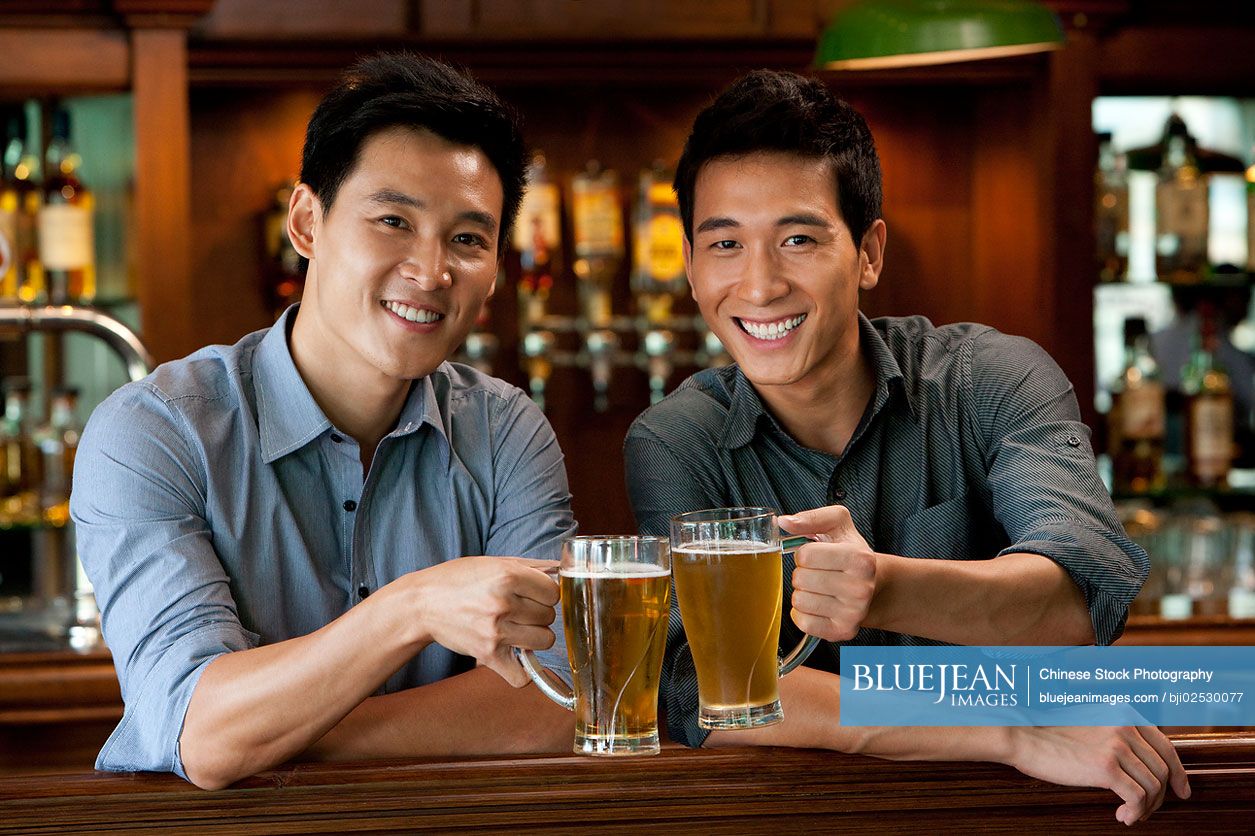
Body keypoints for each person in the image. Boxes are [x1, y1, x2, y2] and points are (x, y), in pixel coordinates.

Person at [624, 69, 1190, 825]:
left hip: (1024, 814)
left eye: (797, 239)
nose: (757, 285)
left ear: (868, 253)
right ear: (692, 270)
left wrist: (883, 587)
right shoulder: (675, 439)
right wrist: (1006, 728)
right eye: (724, 243)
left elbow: (1081, 604)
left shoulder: (991, 380)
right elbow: (714, 697)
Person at [71, 53, 574, 790]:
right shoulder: (154, 433)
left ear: (497, 265)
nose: (431, 271)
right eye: (392, 221)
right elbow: (200, 727)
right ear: (307, 222)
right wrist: (412, 607)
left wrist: (275, 733)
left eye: (467, 238)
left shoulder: (505, 433)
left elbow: (555, 703)